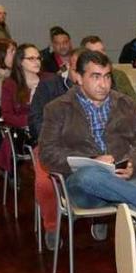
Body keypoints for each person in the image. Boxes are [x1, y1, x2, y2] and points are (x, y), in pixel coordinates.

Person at [39, 50, 136, 273]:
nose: (103, 84)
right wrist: (91, 160)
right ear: (78, 77)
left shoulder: (123, 102)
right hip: (83, 187)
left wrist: (132, 163)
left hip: (123, 180)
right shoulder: (57, 108)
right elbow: (47, 154)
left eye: (107, 77)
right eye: (95, 76)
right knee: (94, 176)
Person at [29, 48, 83, 250]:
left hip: (85, 148)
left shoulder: (97, 89)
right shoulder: (48, 87)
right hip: (51, 145)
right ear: (69, 66)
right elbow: (35, 120)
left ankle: (97, 216)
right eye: (78, 69)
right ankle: (52, 226)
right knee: (46, 183)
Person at [0, 43, 50, 171]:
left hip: (50, 128)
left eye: (38, 58)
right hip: (24, 133)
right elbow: (7, 115)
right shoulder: (10, 84)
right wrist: (32, 120)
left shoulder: (49, 80)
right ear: (20, 62)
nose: (37, 62)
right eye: (31, 59)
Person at [80, 35, 136, 103]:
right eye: (96, 53)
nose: (102, 55)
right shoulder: (81, 78)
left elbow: (135, 101)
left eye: (103, 50)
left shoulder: (119, 75)